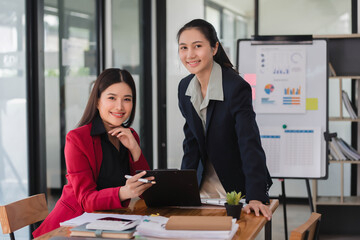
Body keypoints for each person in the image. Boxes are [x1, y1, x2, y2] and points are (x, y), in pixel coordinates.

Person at [33, 68, 153, 237]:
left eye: (127, 99)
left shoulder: (130, 136)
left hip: (109, 224)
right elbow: (86, 200)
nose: (120, 106)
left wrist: (135, 149)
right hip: (68, 229)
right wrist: (123, 192)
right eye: (112, 98)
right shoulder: (77, 139)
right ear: (97, 101)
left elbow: (146, 191)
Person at [177, 19, 273, 220]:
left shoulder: (235, 87)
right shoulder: (184, 88)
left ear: (214, 48)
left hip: (234, 188)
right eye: (183, 48)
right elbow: (191, 143)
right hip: (202, 187)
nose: (190, 54)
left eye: (197, 46)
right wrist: (183, 190)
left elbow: (249, 142)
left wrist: (256, 196)